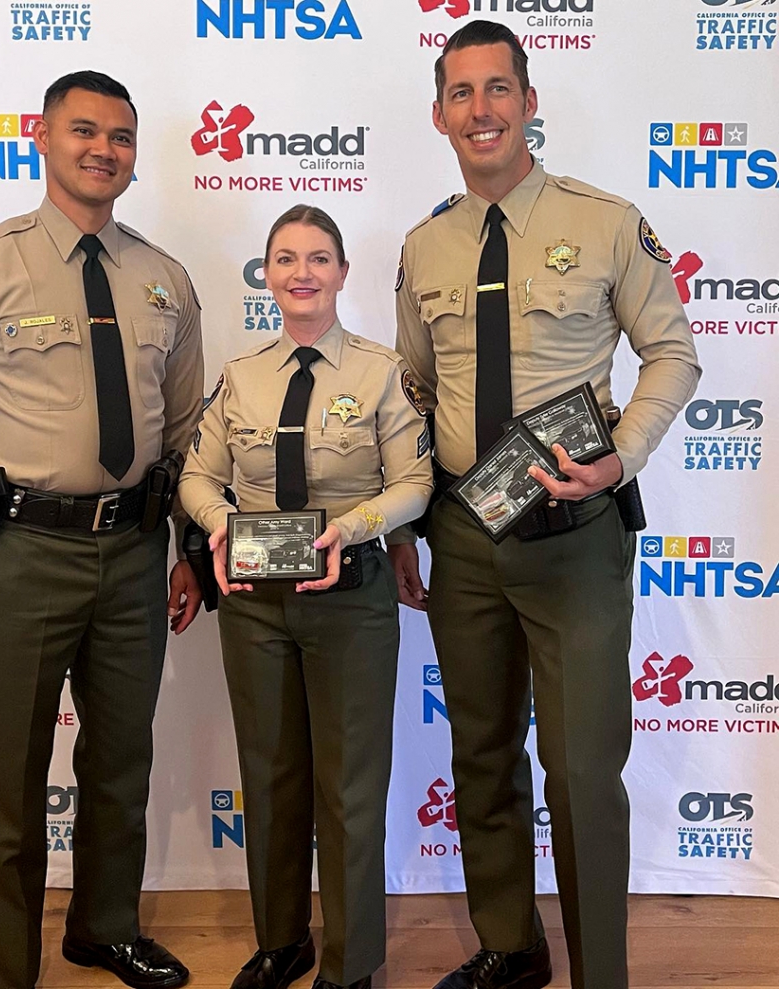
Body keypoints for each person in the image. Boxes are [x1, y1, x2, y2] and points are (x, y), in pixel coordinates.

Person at [387, 21, 701, 989]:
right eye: (460, 93)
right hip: (462, 534)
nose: (479, 110)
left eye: (497, 90)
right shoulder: (423, 245)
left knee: (577, 772)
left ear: (529, 103)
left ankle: (597, 971)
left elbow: (673, 354)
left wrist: (619, 459)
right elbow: (411, 385)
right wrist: (404, 523)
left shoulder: (604, 222)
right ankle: (510, 945)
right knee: (480, 754)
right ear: (437, 114)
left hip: (573, 538)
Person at [0, 70, 204, 989]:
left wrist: (191, 551)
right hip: (18, 557)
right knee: (5, 777)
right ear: (41, 136)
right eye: (84, 131)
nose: (103, 149)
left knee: (121, 760)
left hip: (137, 552)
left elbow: (188, 436)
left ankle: (104, 926)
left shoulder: (164, 279)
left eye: (120, 136)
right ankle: (4, 967)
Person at [180, 205, 433, 989]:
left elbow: (416, 483)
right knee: (271, 774)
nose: (302, 273)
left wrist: (353, 527)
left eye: (319, 258)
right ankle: (281, 940)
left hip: (350, 600)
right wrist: (221, 525)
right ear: (267, 274)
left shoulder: (379, 371)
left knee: (350, 786)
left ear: (343, 273)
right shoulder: (241, 376)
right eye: (286, 258)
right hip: (255, 603)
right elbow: (195, 474)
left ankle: (352, 963)